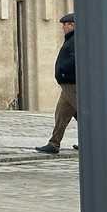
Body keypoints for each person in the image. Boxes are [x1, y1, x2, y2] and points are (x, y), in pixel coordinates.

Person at [35, 12, 76, 154]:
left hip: (72, 85)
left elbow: (75, 59)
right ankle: (54, 144)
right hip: (66, 85)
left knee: (85, 114)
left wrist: (63, 68)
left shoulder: (75, 40)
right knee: (61, 114)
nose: (63, 27)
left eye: (65, 25)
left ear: (72, 25)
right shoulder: (70, 39)